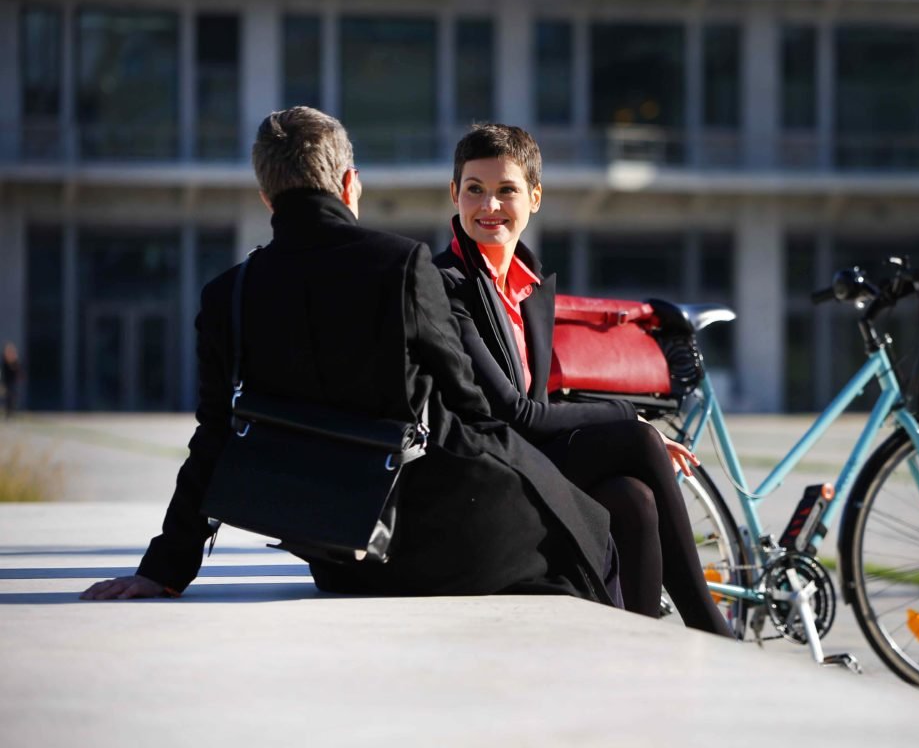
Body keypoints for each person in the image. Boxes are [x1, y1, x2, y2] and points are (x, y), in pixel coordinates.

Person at [82, 107, 619, 604]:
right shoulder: (403, 265)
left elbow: (214, 438)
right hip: (453, 537)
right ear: (348, 183)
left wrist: (164, 569)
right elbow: (475, 415)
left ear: (267, 197)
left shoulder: (231, 294)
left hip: (341, 558)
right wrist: (574, 485)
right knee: (602, 534)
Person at [433, 123, 732, 637]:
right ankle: (710, 628)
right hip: (480, 473)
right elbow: (513, 413)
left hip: (526, 457)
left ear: (535, 197)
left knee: (634, 499)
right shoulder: (448, 286)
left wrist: (632, 434)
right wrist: (630, 420)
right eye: (475, 190)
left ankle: (640, 649)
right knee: (637, 436)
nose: (490, 206)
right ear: (454, 195)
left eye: (507, 190)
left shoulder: (531, 290)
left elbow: (545, 399)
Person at [1, 342, 18, 419]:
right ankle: (7, 413)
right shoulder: (4, 361)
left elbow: (17, 371)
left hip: (12, 382)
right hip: (6, 382)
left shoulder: (15, 362)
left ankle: (11, 413)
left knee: (12, 397)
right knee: (7, 398)